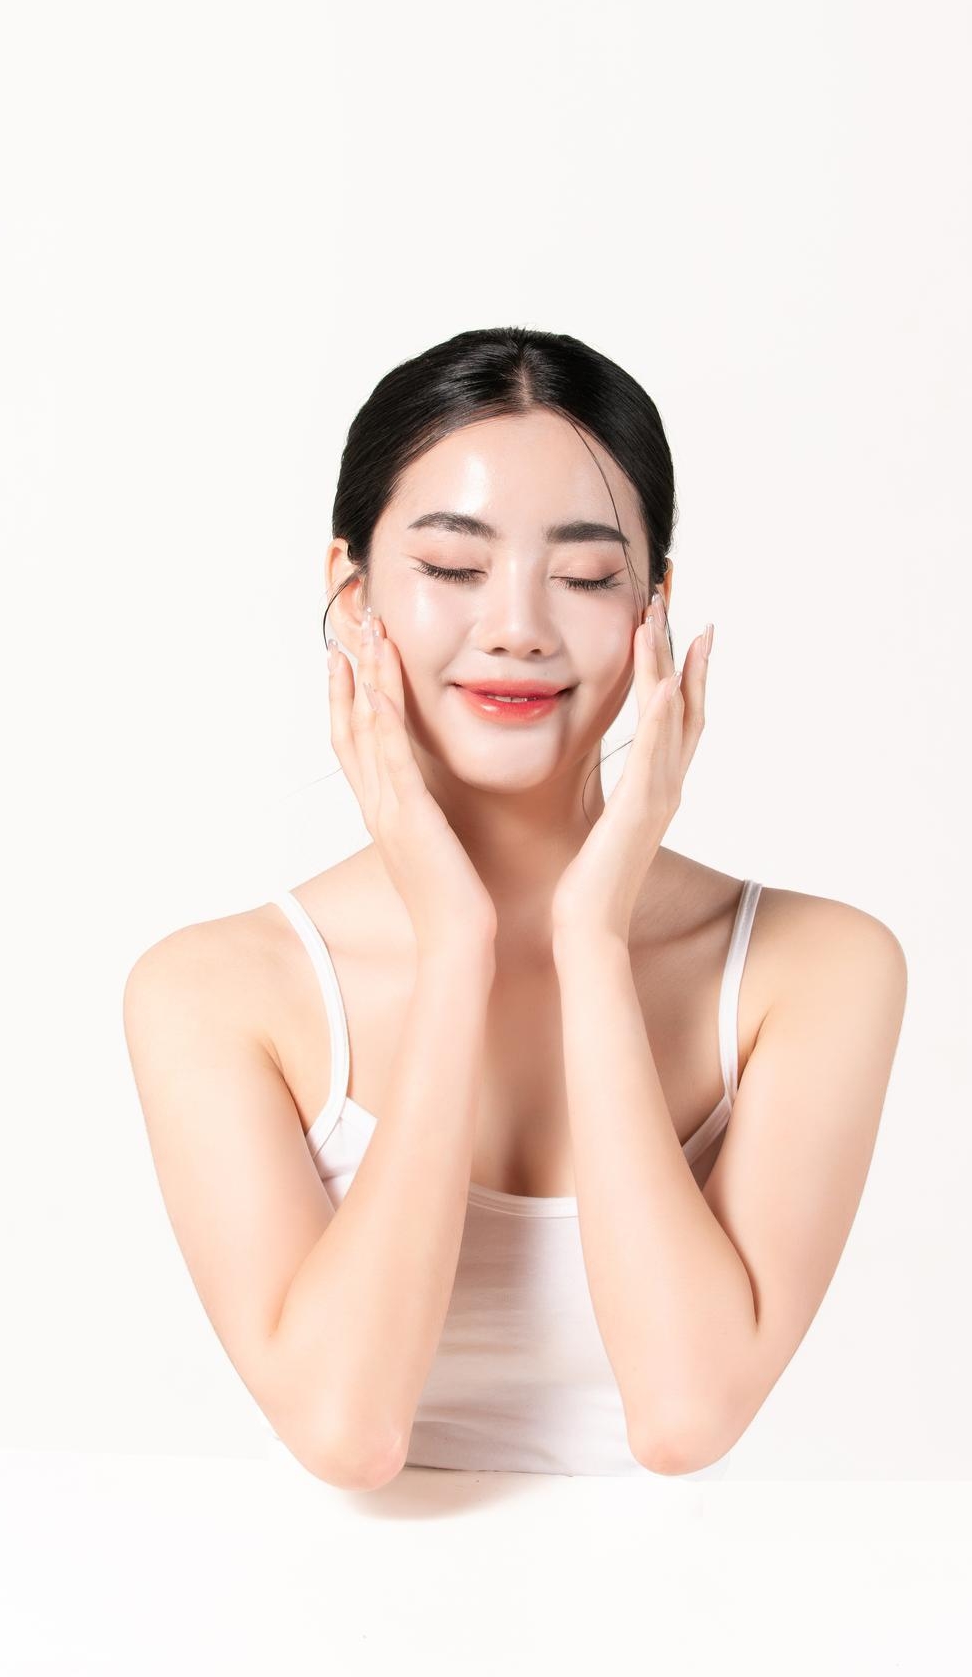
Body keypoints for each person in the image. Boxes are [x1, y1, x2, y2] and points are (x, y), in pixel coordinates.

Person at [123, 325, 907, 1491]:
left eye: (588, 576)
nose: (520, 626)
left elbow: (685, 1413)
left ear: (655, 603)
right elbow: (348, 1430)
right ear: (350, 594)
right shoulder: (217, 991)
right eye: (451, 566)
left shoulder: (817, 968)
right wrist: (457, 947)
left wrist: (591, 940)